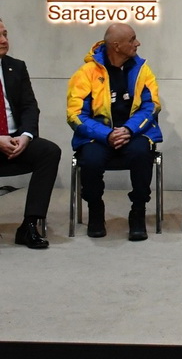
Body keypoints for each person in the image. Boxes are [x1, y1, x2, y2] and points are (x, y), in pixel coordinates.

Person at [67, 23, 161, 241]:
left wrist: (128, 129)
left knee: (142, 154)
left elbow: (152, 106)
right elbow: (75, 114)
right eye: (133, 40)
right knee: (90, 160)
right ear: (117, 46)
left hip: (133, 133)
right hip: (97, 136)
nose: (138, 43)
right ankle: (95, 211)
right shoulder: (86, 73)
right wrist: (106, 134)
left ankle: (138, 211)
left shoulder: (142, 70)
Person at [0, 19, 61, 249]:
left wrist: (26, 136)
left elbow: (29, 107)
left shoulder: (16, 67)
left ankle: (29, 225)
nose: (5, 40)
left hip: (15, 139)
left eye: (6, 34)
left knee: (49, 151)